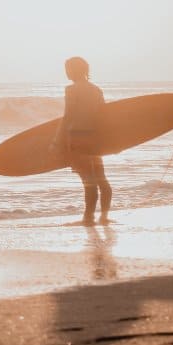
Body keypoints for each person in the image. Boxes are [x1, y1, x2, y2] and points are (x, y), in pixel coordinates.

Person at [52, 56, 112, 226]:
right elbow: (104, 116)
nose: (66, 72)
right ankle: (104, 216)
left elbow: (68, 116)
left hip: (78, 138)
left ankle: (88, 218)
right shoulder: (96, 90)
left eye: (68, 69)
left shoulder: (71, 90)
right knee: (101, 179)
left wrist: (57, 141)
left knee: (88, 181)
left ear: (75, 70)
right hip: (94, 139)